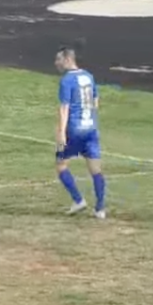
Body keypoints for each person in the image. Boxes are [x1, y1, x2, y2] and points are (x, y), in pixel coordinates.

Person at [54, 47, 107, 219]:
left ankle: (78, 200)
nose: (56, 63)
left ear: (68, 60)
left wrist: (61, 132)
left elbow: (64, 109)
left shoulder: (66, 81)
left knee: (61, 165)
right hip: (90, 129)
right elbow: (95, 102)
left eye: (59, 60)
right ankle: (100, 208)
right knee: (96, 170)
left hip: (74, 131)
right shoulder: (89, 76)